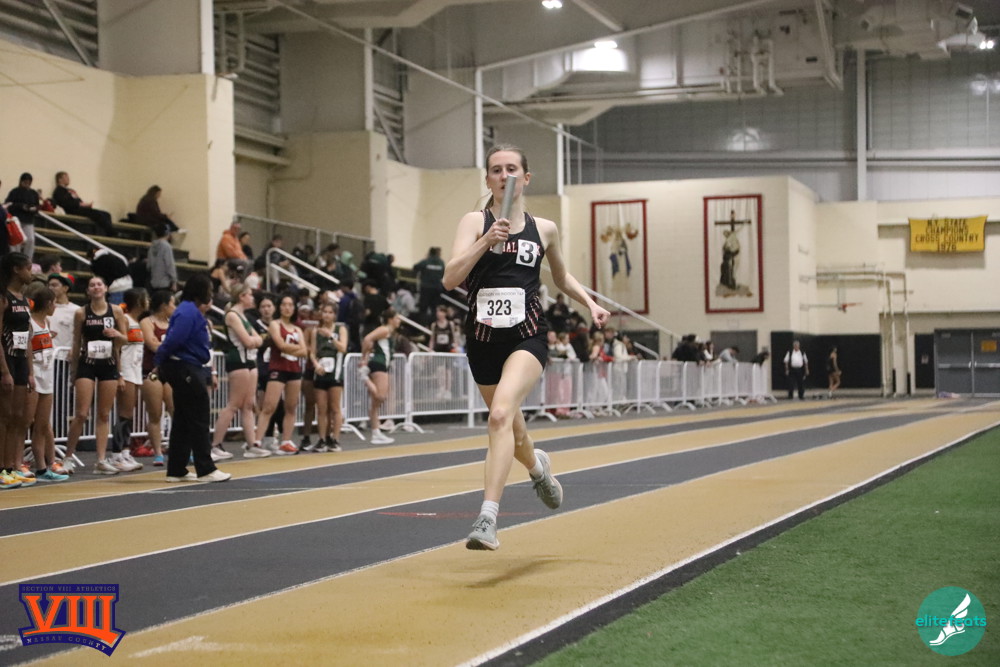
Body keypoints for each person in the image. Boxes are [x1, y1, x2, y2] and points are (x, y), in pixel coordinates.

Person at [442, 144, 610, 551]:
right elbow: (450, 279)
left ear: (526, 178)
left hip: (527, 336)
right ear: (488, 180)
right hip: (483, 340)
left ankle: (487, 518)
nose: (504, 175)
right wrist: (485, 241)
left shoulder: (544, 228)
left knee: (500, 415)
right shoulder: (474, 221)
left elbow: (561, 277)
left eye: (511, 169)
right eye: (496, 170)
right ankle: (538, 470)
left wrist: (589, 303)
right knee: (514, 433)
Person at [151, 273, 231, 482]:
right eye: (209, 290)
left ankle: (177, 469)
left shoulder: (188, 311)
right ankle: (206, 468)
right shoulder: (188, 312)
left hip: (186, 366)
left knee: (183, 420)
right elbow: (173, 340)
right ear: (200, 291)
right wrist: (158, 361)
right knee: (198, 417)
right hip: (185, 367)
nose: (211, 294)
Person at [62, 276, 129, 475]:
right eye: (92, 285)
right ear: (88, 291)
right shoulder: (81, 313)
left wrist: (117, 335)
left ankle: (100, 460)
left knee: (104, 414)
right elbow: (76, 342)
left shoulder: (116, 311)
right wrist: (73, 372)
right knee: (82, 413)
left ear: (106, 288)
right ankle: (67, 457)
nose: (96, 287)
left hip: (108, 364)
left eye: (100, 284)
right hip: (87, 364)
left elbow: (125, 341)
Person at [210, 283, 263, 460]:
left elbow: (258, 339)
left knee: (248, 404)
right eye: (250, 294)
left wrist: (255, 341)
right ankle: (215, 445)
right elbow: (248, 341)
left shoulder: (243, 315)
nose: (252, 298)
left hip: (248, 360)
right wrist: (254, 341)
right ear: (241, 296)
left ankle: (252, 444)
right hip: (238, 360)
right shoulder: (232, 315)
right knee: (233, 404)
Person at [0, 253, 38, 489]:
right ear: (16, 269)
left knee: (18, 417)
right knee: (4, 417)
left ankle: (12, 466)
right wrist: (5, 371)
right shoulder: (3, 298)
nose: (31, 273)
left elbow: (28, 337)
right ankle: (2, 468)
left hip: (21, 360)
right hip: (7, 359)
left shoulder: (24, 299)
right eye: (28, 268)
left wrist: (30, 372)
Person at [25, 284, 69, 481]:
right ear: (48, 303)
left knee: (42, 425)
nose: (55, 307)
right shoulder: (29, 322)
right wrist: (30, 374)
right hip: (34, 376)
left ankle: (42, 468)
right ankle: (16, 464)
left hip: (47, 377)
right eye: (54, 303)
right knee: (25, 422)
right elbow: (28, 352)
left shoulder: (47, 322)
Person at [255, 294, 307, 456]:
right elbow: (280, 345)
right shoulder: (275, 324)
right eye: (284, 304)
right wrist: (296, 348)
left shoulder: (298, 329)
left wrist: (292, 348)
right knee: (269, 406)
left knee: (291, 407)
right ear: (279, 307)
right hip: (278, 368)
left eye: (290, 305)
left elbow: (305, 351)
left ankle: (286, 441)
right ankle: (256, 442)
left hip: (294, 369)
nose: (287, 308)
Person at [108, 288, 147, 473]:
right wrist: (120, 374)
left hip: (135, 369)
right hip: (126, 369)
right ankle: (116, 454)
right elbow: (117, 348)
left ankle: (125, 451)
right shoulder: (124, 319)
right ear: (139, 301)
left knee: (129, 413)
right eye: (146, 298)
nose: (148, 302)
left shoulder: (136, 322)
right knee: (124, 414)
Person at [139, 290, 175, 467]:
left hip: (170, 370)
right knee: (155, 414)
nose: (175, 307)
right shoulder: (147, 321)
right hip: (151, 371)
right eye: (172, 304)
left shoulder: (173, 323)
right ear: (163, 305)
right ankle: (158, 452)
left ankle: (179, 449)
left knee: (176, 411)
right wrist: (172, 346)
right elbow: (152, 344)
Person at [309, 301, 347, 452]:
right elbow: (312, 352)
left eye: (330, 312)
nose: (327, 315)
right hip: (321, 372)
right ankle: (322, 439)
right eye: (325, 312)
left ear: (335, 315)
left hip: (335, 373)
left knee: (335, 407)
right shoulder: (315, 331)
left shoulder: (340, 329)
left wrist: (331, 336)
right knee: (321, 408)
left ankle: (335, 439)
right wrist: (316, 365)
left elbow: (343, 348)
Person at [360, 308, 401, 445]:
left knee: (376, 403)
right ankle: (364, 377)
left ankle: (376, 432)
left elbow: (372, 343)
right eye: (397, 318)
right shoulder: (384, 330)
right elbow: (367, 338)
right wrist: (364, 359)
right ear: (390, 319)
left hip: (383, 364)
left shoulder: (389, 332)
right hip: (379, 363)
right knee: (380, 396)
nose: (399, 321)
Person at [52, 171, 114, 236]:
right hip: (73, 210)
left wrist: (84, 204)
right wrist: (79, 204)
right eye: (66, 177)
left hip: (79, 208)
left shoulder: (70, 190)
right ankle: (111, 233)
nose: (68, 179)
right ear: (60, 179)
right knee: (97, 215)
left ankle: (109, 233)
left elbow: (78, 200)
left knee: (106, 214)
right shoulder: (59, 191)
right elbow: (65, 203)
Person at [5, 172, 40, 262]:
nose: (27, 184)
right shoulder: (14, 192)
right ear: (21, 181)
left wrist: (34, 209)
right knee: (17, 240)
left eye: (29, 182)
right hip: (16, 220)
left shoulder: (33, 193)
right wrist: (21, 206)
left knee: (31, 240)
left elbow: (37, 206)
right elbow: (9, 204)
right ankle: (15, 259)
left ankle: (28, 260)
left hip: (28, 220)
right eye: (25, 182)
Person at [47, 272, 80, 349]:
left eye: (54, 285)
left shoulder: (76, 311)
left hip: (64, 354)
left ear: (65, 288)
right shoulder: (44, 308)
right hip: (45, 353)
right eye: (49, 285)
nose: (50, 288)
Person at [413, 246, 445, 323]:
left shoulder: (426, 261)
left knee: (423, 308)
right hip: (437, 288)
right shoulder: (441, 262)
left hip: (426, 288)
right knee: (434, 308)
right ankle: (433, 324)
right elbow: (444, 273)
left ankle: (422, 325)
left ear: (429, 253)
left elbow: (415, 267)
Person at [148, 223, 178, 291]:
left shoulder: (152, 246)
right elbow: (170, 265)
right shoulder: (166, 246)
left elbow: (149, 266)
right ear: (167, 233)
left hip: (153, 282)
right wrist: (174, 281)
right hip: (165, 283)